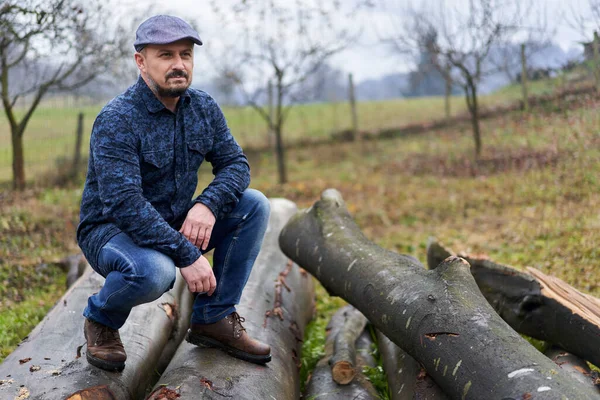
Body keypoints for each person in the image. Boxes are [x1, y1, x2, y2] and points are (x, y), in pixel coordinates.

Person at [76, 15, 271, 372]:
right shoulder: (118, 119)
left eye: (186, 54)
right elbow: (124, 204)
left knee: (253, 205)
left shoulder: (203, 108)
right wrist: (187, 254)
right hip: (111, 231)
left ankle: (214, 318)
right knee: (155, 271)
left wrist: (208, 205)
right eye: (166, 55)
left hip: (174, 220)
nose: (179, 64)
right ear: (141, 61)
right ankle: (101, 319)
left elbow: (236, 165)